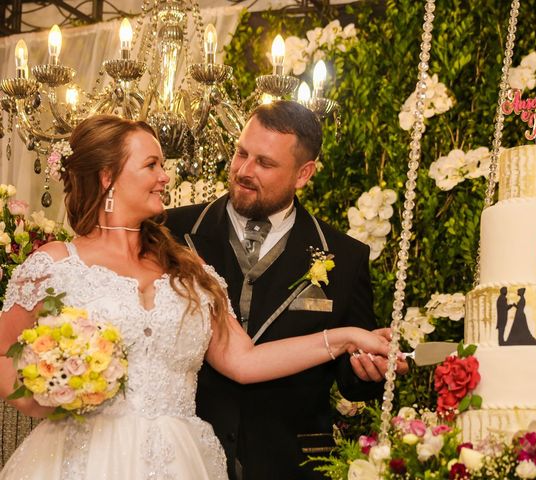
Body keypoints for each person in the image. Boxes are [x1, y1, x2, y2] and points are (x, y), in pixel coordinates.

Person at [0, 114, 391, 480]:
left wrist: (346, 337)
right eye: (151, 165)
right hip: (86, 458)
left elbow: (244, 360)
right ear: (107, 177)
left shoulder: (190, 268)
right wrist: (45, 396)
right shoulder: (55, 264)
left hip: (180, 460)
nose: (165, 177)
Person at [166, 100, 408, 480]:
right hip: (183, 457)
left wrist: (366, 370)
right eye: (241, 153)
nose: (244, 171)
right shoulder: (171, 232)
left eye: (264, 163)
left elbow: (350, 378)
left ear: (303, 174)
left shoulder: (344, 257)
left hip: (291, 463)